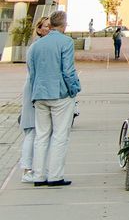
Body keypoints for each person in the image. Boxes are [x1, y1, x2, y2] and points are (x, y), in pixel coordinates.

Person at [25, 10, 81, 187]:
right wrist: (74, 89)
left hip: (39, 94)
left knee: (41, 135)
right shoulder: (66, 42)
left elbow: (32, 72)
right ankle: (55, 175)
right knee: (59, 135)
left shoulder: (36, 45)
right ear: (63, 24)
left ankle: (38, 175)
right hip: (59, 94)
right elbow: (68, 70)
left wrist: (34, 93)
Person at [18, 14, 52, 181]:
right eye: (45, 26)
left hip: (37, 89)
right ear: (39, 29)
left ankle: (33, 169)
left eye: (50, 25)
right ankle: (26, 170)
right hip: (34, 90)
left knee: (38, 132)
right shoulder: (37, 46)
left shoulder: (41, 45)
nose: (48, 28)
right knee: (32, 130)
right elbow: (34, 72)